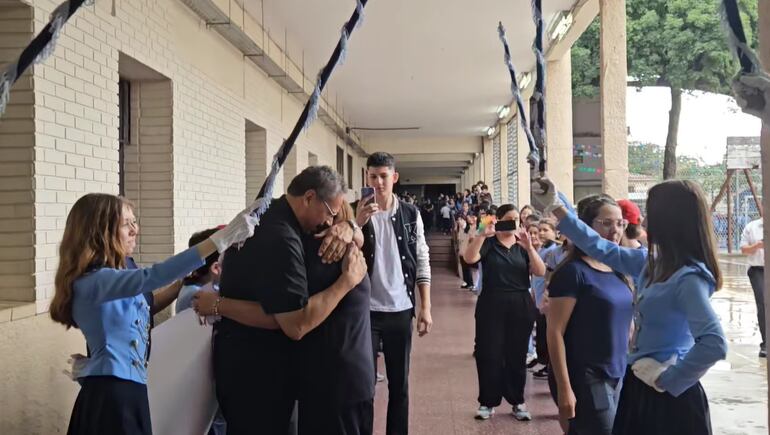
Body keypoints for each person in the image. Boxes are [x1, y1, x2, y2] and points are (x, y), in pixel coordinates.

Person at [49, 193, 259, 435]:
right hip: (112, 396)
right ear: (100, 231)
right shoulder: (95, 280)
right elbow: (152, 277)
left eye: (134, 222)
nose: (135, 230)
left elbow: (146, 305)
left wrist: (183, 282)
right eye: (126, 224)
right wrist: (219, 240)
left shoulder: (114, 275)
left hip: (129, 390)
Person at [533, 177, 728, 435]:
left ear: (670, 221)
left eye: (651, 213)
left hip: (670, 399)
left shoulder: (688, 279)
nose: (643, 222)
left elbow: (714, 343)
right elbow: (597, 245)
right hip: (640, 387)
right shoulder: (650, 264)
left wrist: (671, 379)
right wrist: (559, 205)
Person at [195, 202, 373, 435]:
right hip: (344, 380)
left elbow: (288, 320)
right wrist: (352, 227)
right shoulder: (341, 250)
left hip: (333, 384)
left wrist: (218, 305)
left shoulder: (321, 255)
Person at [354, 152, 432, 435]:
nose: (377, 183)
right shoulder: (355, 211)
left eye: (383, 176)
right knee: (363, 384)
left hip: (400, 309)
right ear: (366, 177)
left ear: (394, 178)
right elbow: (341, 253)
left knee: (399, 384)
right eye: (372, 176)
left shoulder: (411, 214)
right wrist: (357, 223)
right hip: (366, 312)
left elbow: (421, 258)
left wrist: (425, 306)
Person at [546, 195, 634, 434]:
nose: (615, 231)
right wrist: (564, 388)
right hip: (586, 377)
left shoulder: (620, 270)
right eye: (606, 223)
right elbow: (554, 332)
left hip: (619, 373)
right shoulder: (573, 273)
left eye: (620, 223)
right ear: (585, 227)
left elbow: (628, 325)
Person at [464, 204, 545, 422]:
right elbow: (469, 258)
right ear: (497, 220)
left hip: (520, 302)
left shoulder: (522, 245)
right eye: (508, 219)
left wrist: (530, 248)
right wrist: (482, 233)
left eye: (516, 219)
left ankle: (517, 401)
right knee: (488, 352)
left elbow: (540, 271)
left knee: (516, 354)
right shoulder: (488, 243)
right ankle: (487, 402)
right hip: (491, 301)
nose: (513, 223)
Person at [530, 218, 560, 380]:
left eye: (544, 230)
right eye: (538, 230)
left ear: (555, 232)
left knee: (548, 334)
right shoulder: (542, 250)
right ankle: (545, 362)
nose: (541, 233)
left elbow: (550, 277)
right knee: (542, 333)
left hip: (547, 301)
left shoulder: (553, 251)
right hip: (539, 297)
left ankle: (550, 366)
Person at [740, 211, 766, 358]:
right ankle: (766, 344)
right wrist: (758, 245)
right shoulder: (752, 227)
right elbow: (744, 249)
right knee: (762, 303)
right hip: (757, 269)